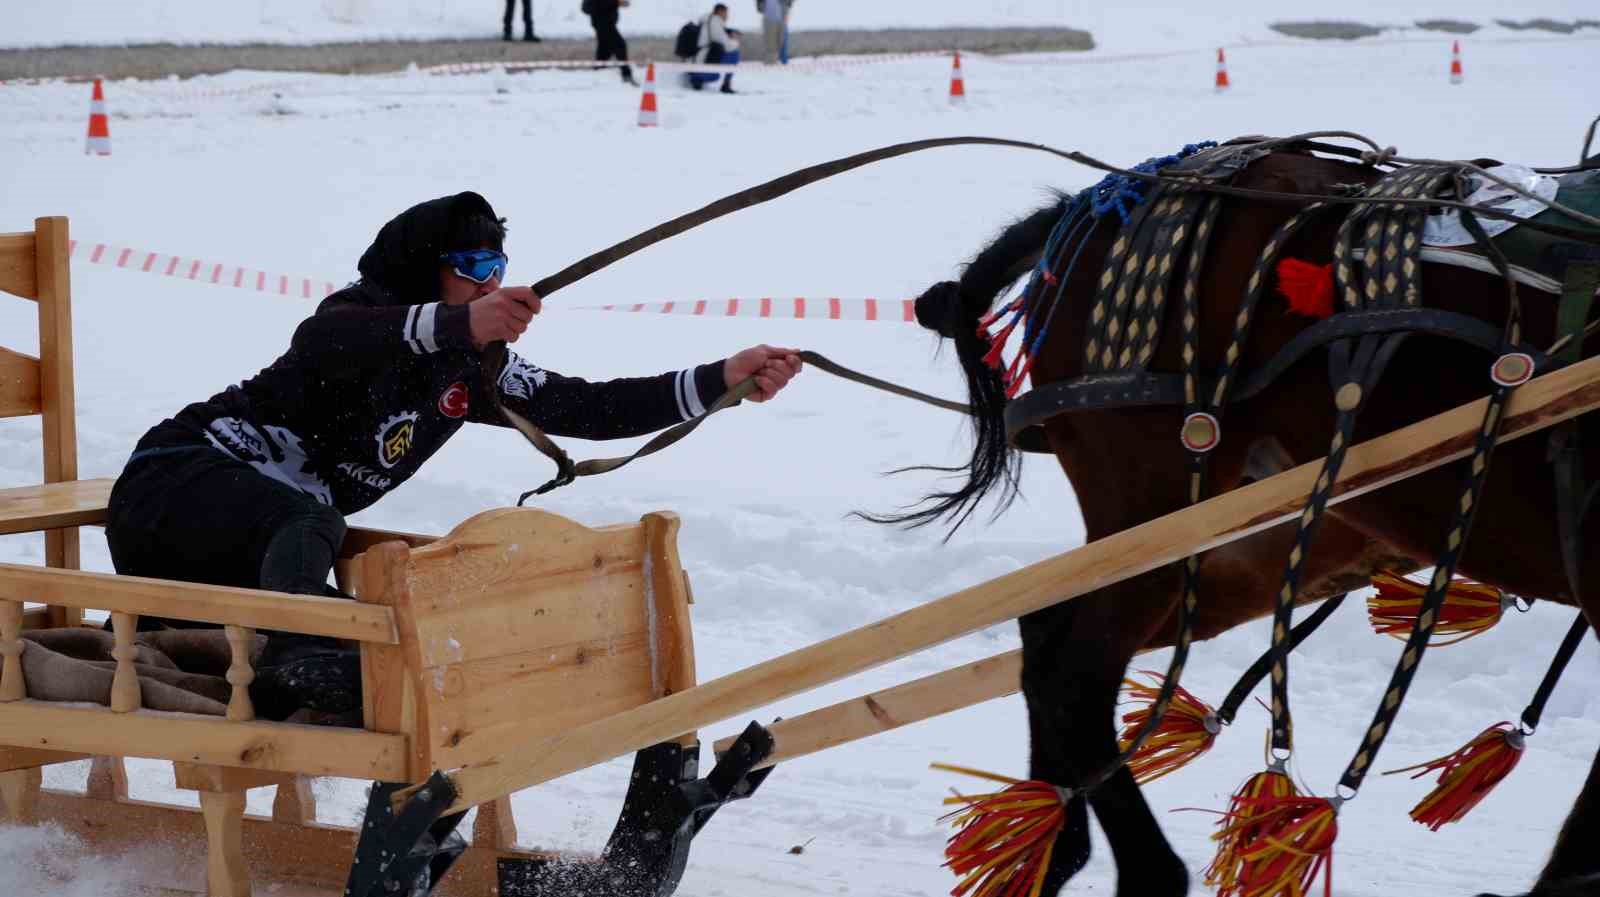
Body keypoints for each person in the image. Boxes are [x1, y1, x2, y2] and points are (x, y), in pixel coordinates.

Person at [104, 192, 802, 719]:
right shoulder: (364, 316)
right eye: (472, 268)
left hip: (235, 553)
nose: (491, 284)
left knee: (372, 631)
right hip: (174, 483)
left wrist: (722, 380)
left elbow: (591, 407)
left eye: (498, 268)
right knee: (315, 525)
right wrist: (460, 322)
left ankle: (319, 667)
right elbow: (323, 340)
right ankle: (294, 658)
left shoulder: (473, 368)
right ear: (424, 270)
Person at [690, 4, 740, 94]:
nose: (727, 16)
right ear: (720, 12)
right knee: (735, 53)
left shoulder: (708, 20)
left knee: (728, 51)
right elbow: (724, 43)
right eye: (726, 13)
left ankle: (697, 79)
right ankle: (726, 85)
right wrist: (735, 42)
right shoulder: (715, 22)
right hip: (703, 60)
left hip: (698, 58)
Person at [587, 0, 637, 86]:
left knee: (604, 50)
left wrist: (618, 3)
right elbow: (591, 5)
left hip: (607, 23)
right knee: (620, 46)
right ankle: (626, 75)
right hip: (603, 23)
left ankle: (597, 74)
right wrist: (616, 3)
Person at [757, 0, 794, 65]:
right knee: (770, 43)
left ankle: (778, 61)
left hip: (782, 18)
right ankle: (770, 62)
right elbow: (759, 6)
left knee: (781, 41)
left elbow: (789, 3)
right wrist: (761, 6)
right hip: (769, 19)